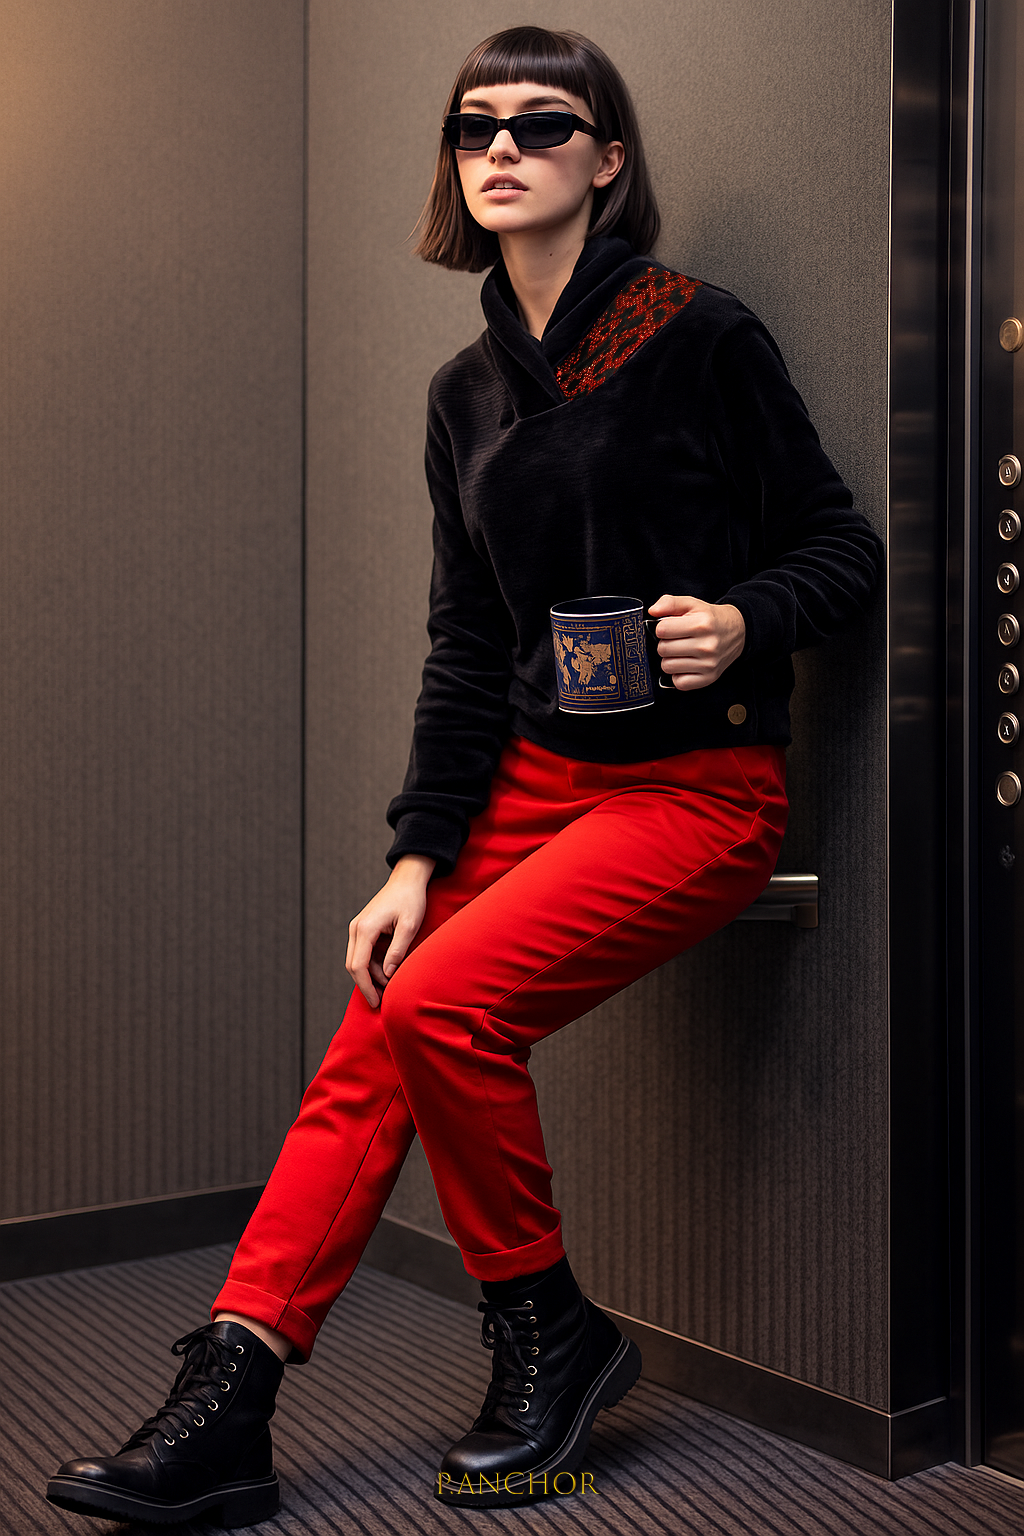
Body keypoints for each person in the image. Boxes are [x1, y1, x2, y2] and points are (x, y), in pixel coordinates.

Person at [46, 24, 883, 1529]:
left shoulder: (703, 335)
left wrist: (748, 617)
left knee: (446, 1005)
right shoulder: (464, 392)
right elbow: (463, 646)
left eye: (542, 124)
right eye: (471, 126)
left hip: (695, 795)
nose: (499, 148)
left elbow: (843, 547)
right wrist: (418, 855)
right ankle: (233, 1395)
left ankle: (548, 1331)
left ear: (607, 159)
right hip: (530, 784)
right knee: (381, 1019)